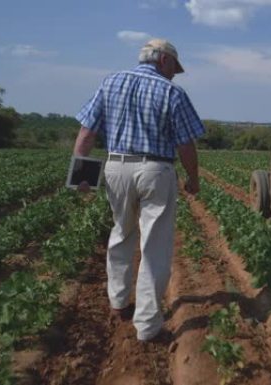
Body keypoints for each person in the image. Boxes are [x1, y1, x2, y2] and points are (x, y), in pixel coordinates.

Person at [72, 38, 204, 342]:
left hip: (116, 166)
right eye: (174, 68)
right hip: (155, 169)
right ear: (164, 61)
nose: (174, 74)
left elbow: (86, 133)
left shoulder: (111, 82)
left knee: (121, 232)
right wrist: (193, 179)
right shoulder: (172, 92)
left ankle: (118, 303)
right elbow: (186, 145)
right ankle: (146, 326)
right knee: (154, 246)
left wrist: (82, 177)